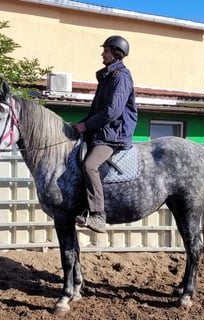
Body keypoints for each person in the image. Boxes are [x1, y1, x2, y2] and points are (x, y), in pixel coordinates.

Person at [72, 35, 138, 233]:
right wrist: (81, 124)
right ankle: (83, 207)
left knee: (90, 165)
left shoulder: (120, 77)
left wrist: (87, 126)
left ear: (116, 54)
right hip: (102, 131)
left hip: (113, 134)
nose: (103, 53)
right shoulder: (108, 77)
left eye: (106, 51)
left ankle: (98, 216)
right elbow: (97, 112)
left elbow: (112, 112)